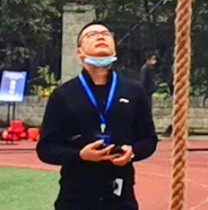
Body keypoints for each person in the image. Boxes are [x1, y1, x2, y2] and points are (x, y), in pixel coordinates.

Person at [36, 22, 158, 209]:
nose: (100, 36)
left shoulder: (133, 91)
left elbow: (148, 139)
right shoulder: (63, 95)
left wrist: (132, 152)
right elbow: (46, 148)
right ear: (80, 52)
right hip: (75, 197)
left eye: (106, 34)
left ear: (114, 47)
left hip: (120, 196)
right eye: (92, 35)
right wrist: (80, 155)